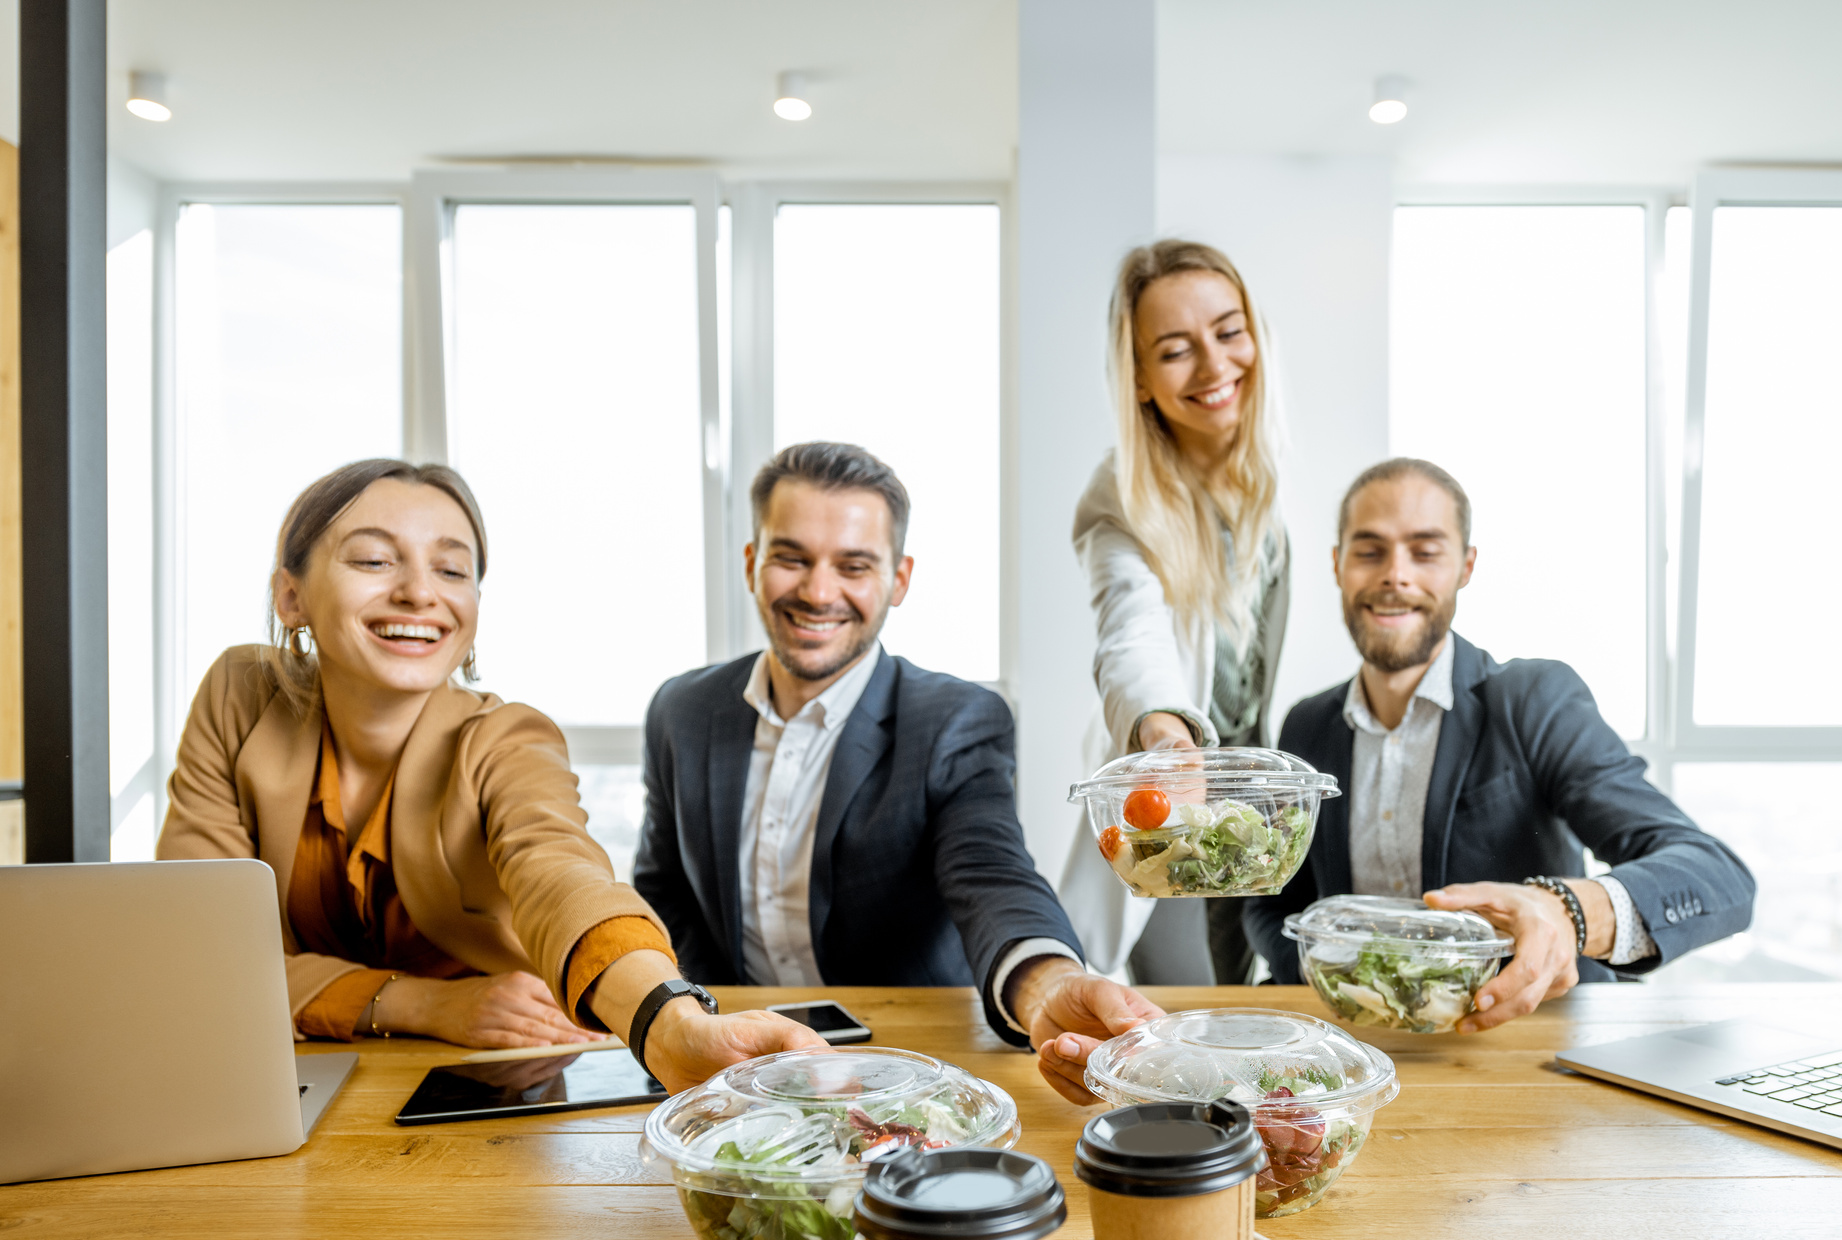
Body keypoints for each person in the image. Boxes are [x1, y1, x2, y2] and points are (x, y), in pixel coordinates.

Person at [158, 459, 825, 1091]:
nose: (420, 592)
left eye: (451, 569)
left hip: (490, 1081)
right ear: (290, 595)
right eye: (373, 559)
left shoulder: (507, 737)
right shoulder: (241, 694)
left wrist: (669, 1023)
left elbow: (565, 878)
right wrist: (428, 1002)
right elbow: (194, 957)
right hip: (278, 1080)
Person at [633, 441, 1158, 1102]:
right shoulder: (681, 711)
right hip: (729, 1072)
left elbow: (991, 873)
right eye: (791, 557)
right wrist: (702, 1019)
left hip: (906, 1072)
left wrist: (1046, 984)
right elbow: (664, 892)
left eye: (854, 565)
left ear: (900, 579)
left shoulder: (956, 720)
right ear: (752, 563)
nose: (818, 591)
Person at [1241, 458, 1755, 1030]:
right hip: (1355, 1046)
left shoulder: (1535, 698)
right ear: (1338, 565)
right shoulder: (1306, 726)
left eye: (1425, 550)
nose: (1395, 574)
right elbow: (1272, 897)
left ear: (1466, 566)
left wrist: (1567, 913)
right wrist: (1317, 971)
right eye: (1370, 551)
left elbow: (1718, 875)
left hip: (1527, 1043)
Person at [1059, 238, 1290, 985]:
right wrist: (1165, 737)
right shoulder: (1120, 494)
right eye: (1175, 350)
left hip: (1271, 812)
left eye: (1228, 331)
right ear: (1140, 380)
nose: (1216, 366)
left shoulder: (1277, 474)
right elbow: (1131, 629)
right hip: (1182, 804)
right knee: (1187, 1009)